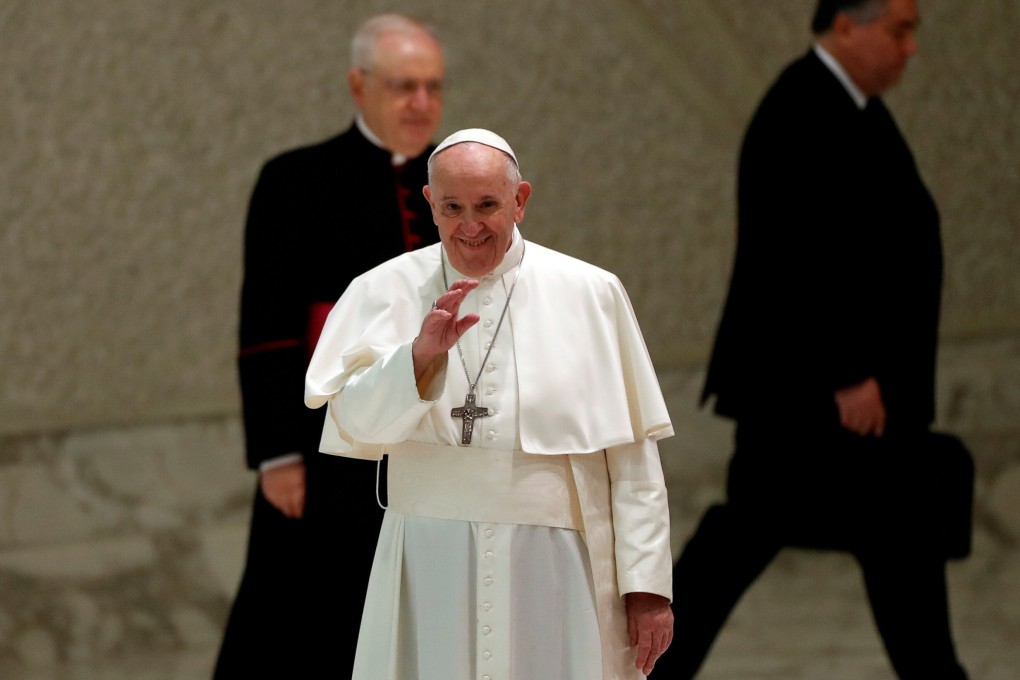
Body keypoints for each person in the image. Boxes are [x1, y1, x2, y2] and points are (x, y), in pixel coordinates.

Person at [650, 1, 970, 678]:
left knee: (870, 543)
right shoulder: (802, 109)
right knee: (761, 533)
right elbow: (795, 256)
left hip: (836, 399)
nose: (911, 49)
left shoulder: (850, 106)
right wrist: (850, 373)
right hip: (823, 397)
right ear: (847, 26)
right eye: (899, 30)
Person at [304, 128, 675, 679]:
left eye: (487, 206)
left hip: (555, 567)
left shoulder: (590, 293)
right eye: (452, 207)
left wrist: (647, 587)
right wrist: (416, 361)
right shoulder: (382, 290)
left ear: (520, 201)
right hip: (429, 560)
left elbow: (633, 458)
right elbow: (354, 427)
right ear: (431, 204)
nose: (470, 226)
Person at [212, 14, 445, 679]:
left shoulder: (456, 181)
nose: (421, 103)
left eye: (432, 87)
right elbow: (268, 322)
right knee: (303, 622)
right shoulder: (295, 180)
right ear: (358, 85)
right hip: (328, 438)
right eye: (404, 86)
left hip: (429, 436)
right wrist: (278, 453)